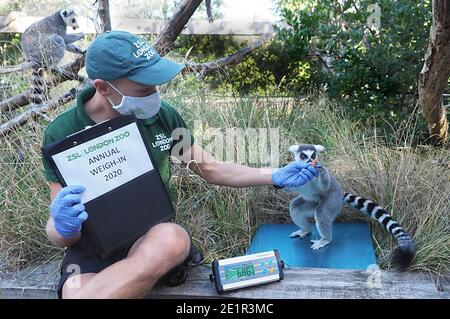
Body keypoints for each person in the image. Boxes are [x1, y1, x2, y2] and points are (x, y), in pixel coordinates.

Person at [41, 30, 318, 299]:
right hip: (92, 250)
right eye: (143, 87)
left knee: (173, 240)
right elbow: (59, 233)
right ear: (102, 87)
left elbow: (211, 168)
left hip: (151, 237)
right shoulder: (61, 132)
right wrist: (64, 227)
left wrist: (274, 175)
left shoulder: (164, 117)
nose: (153, 92)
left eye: (155, 83)